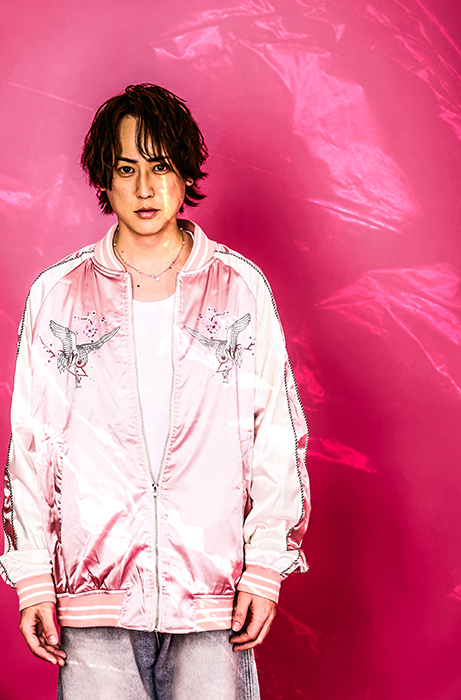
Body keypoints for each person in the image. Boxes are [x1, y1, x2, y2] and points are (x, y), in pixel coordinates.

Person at [0, 84, 310, 699]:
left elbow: (274, 432)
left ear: (185, 171)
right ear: (104, 178)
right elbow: (31, 443)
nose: (145, 188)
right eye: (126, 169)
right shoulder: (58, 295)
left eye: (161, 166)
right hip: (94, 589)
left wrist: (265, 565)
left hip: (212, 590)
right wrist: (32, 573)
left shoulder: (239, 288)